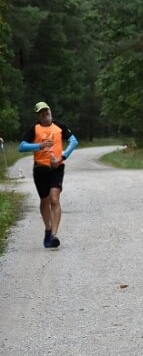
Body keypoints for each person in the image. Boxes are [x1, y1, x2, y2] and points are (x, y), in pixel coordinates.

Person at [18, 101, 79, 248]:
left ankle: (53, 236)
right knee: (44, 200)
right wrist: (39, 145)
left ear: (50, 111)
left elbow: (74, 141)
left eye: (46, 110)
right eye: (41, 112)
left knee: (54, 199)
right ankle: (47, 228)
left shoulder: (60, 126)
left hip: (56, 167)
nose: (45, 113)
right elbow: (21, 147)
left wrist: (62, 157)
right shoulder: (35, 128)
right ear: (38, 115)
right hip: (40, 169)